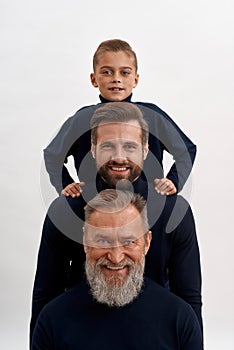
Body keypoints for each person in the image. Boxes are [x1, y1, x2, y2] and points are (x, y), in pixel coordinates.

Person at [30, 102, 202, 345]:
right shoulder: (66, 209)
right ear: (93, 149)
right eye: (108, 145)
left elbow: (189, 297)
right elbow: (45, 295)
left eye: (130, 146)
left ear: (145, 149)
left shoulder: (175, 211)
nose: (119, 157)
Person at [31, 189, 203, 350]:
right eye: (102, 241)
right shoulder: (52, 321)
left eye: (129, 241)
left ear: (147, 242)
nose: (116, 257)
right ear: (85, 242)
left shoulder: (180, 320)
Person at [44, 38, 196, 197]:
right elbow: (52, 154)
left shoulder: (153, 116)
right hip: (94, 206)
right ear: (93, 79)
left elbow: (186, 150)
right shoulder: (82, 120)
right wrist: (66, 184)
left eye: (124, 72)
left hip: (147, 204)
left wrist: (174, 181)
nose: (116, 78)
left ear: (135, 79)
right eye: (107, 72)